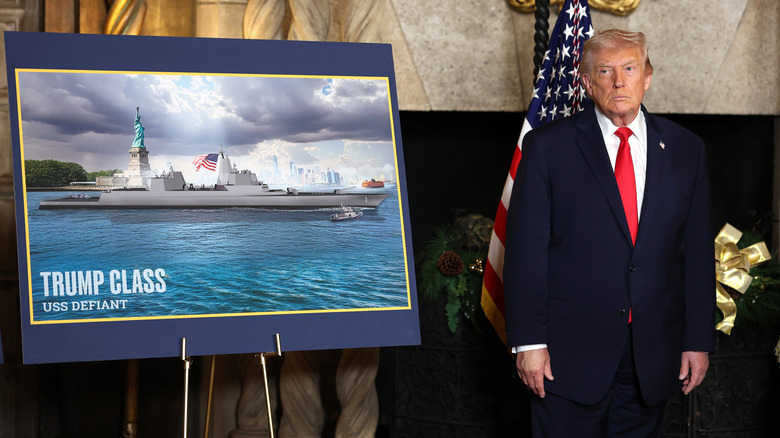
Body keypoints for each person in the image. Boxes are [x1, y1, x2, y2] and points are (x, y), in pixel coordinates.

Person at [503, 29, 715, 437]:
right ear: (586, 81)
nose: (619, 82)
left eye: (630, 68)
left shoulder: (687, 149)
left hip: (652, 355)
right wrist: (528, 343)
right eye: (605, 70)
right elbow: (527, 252)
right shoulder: (547, 148)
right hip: (566, 356)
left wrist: (698, 340)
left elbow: (696, 256)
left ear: (647, 77)